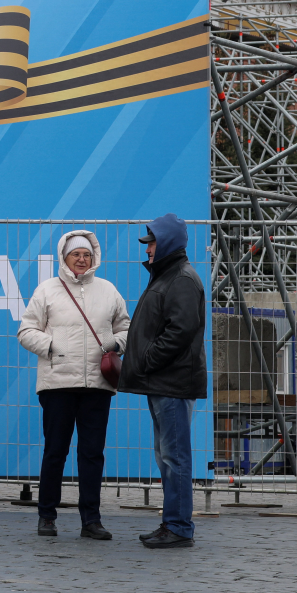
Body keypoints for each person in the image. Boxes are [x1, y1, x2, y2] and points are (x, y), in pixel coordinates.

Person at [18, 230, 130, 540]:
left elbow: (127, 328)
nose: (82, 259)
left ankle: (91, 521)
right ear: (64, 257)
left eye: (87, 254)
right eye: (75, 254)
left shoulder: (108, 291)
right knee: (55, 451)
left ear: (94, 257)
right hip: (57, 384)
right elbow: (26, 330)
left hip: (98, 384)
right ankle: (46, 516)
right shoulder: (47, 290)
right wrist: (51, 346)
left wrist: (114, 343)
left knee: (92, 454)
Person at [117, 213, 206, 549]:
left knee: (174, 457)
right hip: (166, 382)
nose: (148, 248)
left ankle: (179, 527)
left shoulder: (180, 278)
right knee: (168, 456)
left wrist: (149, 360)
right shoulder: (171, 275)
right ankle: (172, 522)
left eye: (151, 242)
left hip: (171, 382)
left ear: (167, 242)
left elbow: (180, 330)